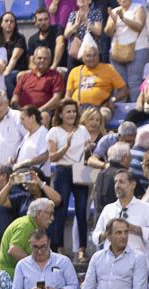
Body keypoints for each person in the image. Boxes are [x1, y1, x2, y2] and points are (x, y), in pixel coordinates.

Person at [47, 100, 93, 259]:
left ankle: (82, 248)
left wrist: (88, 149)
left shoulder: (82, 129)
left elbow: (88, 150)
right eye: (68, 111)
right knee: (61, 208)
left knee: (82, 210)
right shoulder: (54, 131)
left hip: (80, 169)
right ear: (60, 113)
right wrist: (66, 146)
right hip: (63, 170)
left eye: (74, 111)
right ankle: (59, 246)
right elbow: (52, 156)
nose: (72, 114)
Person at [93, 169, 149, 257]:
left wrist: (135, 229)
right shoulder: (108, 209)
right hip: (111, 262)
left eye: (121, 182)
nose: (117, 185)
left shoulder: (145, 208)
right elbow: (95, 236)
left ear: (133, 185)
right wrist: (107, 233)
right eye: (115, 182)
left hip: (136, 263)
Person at [66, 43, 129, 122]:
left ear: (99, 56)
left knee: (103, 115)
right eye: (88, 56)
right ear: (83, 58)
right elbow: (68, 96)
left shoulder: (108, 68)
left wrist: (113, 99)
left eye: (95, 55)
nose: (92, 58)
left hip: (101, 107)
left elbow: (124, 90)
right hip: (79, 108)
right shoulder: (75, 71)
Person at [0, 197, 57, 278]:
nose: (52, 218)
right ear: (38, 213)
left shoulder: (33, 225)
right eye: (50, 214)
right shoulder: (26, 225)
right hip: (10, 278)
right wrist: (36, 265)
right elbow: (14, 250)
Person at [106, 0, 149, 91]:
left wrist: (123, 19)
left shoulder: (138, 8)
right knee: (120, 84)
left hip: (138, 50)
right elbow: (108, 32)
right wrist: (114, 20)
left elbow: (139, 26)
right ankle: (121, 105)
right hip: (117, 51)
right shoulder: (114, 11)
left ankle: (135, 105)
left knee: (134, 82)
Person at [14, 47, 66, 117]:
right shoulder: (25, 76)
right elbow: (15, 96)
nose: (42, 60)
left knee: (44, 116)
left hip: (44, 110)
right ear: (34, 59)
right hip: (22, 111)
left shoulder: (56, 76)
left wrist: (40, 110)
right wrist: (18, 109)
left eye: (45, 58)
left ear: (50, 60)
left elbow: (56, 98)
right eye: (39, 58)